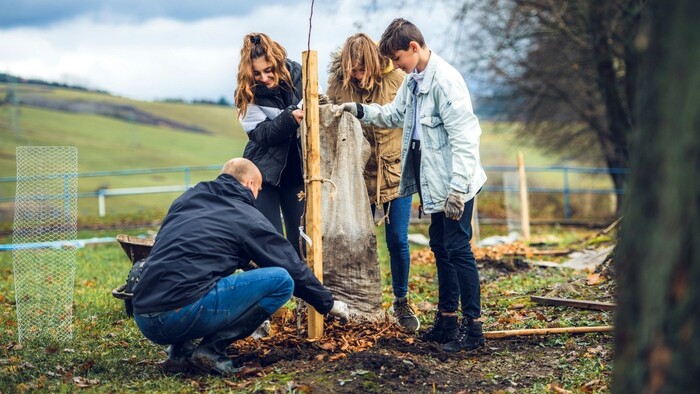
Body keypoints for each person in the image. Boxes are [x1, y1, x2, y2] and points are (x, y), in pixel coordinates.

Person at [332, 18, 487, 352]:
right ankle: (447, 322)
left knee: (458, 250)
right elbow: (392, 115)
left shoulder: (445, 81)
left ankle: (473, 332)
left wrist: (458, 189)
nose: (396, 65)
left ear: (414, 48)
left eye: (399, 58)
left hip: (453, 184)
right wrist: (357, 110)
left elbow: (466, 138)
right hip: (432, 183)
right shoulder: (414, 82)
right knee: (441, 248)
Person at [132, 158, 349, 375]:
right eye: (259, 190)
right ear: (250, 184)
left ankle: (180, 353)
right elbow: (290, 265)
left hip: (144, 315)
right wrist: (327, 303)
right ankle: (211, 350)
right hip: (179, 315)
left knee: (194, 275)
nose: (257, 197)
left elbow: (189, 251)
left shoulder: (187, 199)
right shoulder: (245, 214)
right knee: (281, 280)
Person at [326, 33, 419, 332]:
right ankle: (355, 300)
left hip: (394, 172)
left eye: (363, 68)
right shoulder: (339, 85)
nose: (359, 75)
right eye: (353, 70)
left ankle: (401, 301)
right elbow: (328, 117)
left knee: (397, 241)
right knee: (353, 239)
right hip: (355, 176)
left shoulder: (398, 81)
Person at [235, 33, 305, 257]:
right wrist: (290, 117)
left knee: (301, 239)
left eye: (268, 70)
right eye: (257, 73)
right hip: (264, 175)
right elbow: (264, 135)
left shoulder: (302, 76)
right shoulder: (246, 94)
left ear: (277, 63)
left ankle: (302, 289)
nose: (264, 78)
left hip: (299, 173)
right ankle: (278, 287)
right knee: (271, 240)